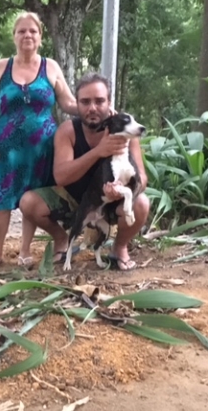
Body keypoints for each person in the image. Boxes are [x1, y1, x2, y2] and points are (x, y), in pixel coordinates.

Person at [18, 72, 150, 270]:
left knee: (141, 203)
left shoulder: (127, 130)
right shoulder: (68, 131)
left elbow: (142, 177)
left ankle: (119, 248)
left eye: (99, 101)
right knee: (28, 202)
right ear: (77, 104)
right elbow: (61, 176)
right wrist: (98, 151)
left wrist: (122, 192)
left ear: (109, 102)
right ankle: (62, 240)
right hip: (74, 199)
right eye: (85, 102)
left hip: (112, 202)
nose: (92, 108)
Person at [0, 11, 77, 269]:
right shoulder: (1, 67)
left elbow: (67, 102)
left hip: (42, 149)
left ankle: (25, 251)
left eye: (33, 31)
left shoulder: (51, 67)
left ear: (40, 36)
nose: (27, 35)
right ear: (14, 36)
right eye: (22, 31)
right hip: (5, 149)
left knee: (29, 200)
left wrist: (93, 109)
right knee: (2, 202)